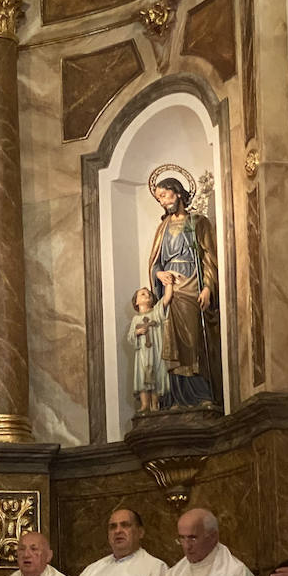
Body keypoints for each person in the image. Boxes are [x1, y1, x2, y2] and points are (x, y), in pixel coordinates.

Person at [147, 176, 221, 408]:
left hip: (192, 284)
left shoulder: (198, 222)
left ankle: (201, 394)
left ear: (177, 193)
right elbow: (155, 263)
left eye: (165, 195)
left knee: (193, 339)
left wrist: (208, 286)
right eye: (159, 198)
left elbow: (208, 257)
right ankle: (175, 397)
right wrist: (159, 275)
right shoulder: (163, 227)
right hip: (170, 290)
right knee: (172, 340)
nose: (162, 202)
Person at [126, 286, 169, 413]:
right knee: (142, 376)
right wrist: (137, 332)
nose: (147, 295)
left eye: (149, 294)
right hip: (143, 354)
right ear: (136, 302)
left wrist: (169, 284)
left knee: (156, 374)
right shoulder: (136, 319)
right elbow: (130, 337)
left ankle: (155, 404)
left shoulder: (156, 312)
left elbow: (166, 298)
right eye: (143, 294)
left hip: (156, 351)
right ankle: (145, 405)